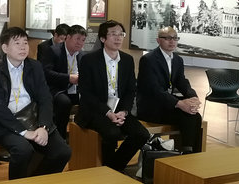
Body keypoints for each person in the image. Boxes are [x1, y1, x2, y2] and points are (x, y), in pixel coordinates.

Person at [0, 27, 71, 180]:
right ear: (5, 48)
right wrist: (24, 132)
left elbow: (45, 98)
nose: (23, 47)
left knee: (63, 152)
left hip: (32, 118)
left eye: (25, 43)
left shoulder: (35, 66)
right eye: (17, 43)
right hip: (5, 123)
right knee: (23, 149)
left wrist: (44, 127)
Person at [76, 20, 150, 172]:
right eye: (113, 34)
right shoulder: (89, 60)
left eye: (121, 34)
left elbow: (130, 90)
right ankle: (111, 171)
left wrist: (124, 111)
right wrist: (108, 112)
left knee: (142, 134)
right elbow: (86, 92)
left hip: (119, 110)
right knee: (112, 132)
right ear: (103, 38)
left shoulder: (127, 60)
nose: (118, 38)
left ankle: (113, 168)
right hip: (95, 110)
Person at [137, 26, 203, 153]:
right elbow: (154, 89)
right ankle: (187, 152)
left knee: (195, 115)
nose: (172, 41)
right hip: (151, 107)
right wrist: (179, 103)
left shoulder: (177, 59)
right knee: (188, 116)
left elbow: (182, 82)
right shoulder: (148, 59)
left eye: (175, 38)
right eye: (167, 38)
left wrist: (193, 97)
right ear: (158, 40)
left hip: (167, 103)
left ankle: (191, 152)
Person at [41, 24, 87, 139]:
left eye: (83, 40)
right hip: (57, 88)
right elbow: (46, 73)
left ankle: (81, 136)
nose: (80, 43)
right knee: (64, 103)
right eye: (77, 39)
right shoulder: (53, 51)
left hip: (76, 89)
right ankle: (60, 136)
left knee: (90, 101)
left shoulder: (82, 55)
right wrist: (69, 78)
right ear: (68, 37)